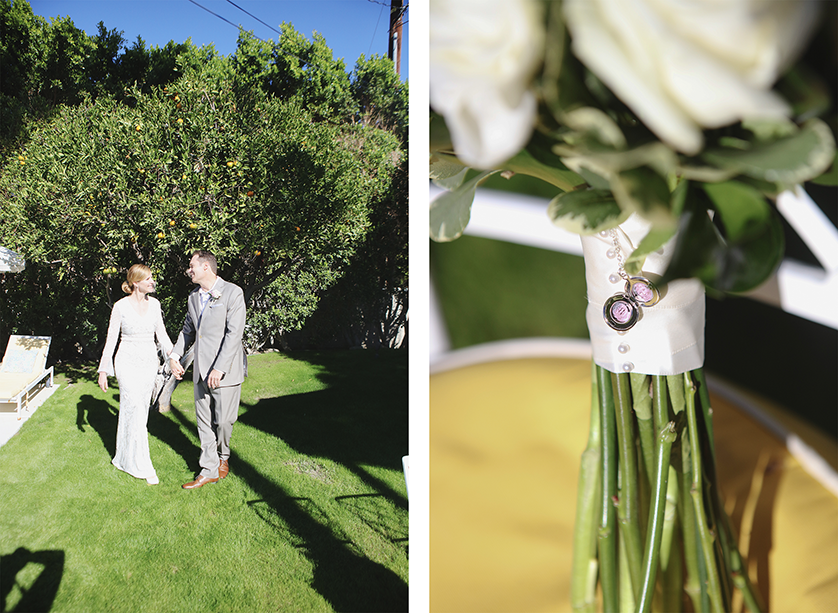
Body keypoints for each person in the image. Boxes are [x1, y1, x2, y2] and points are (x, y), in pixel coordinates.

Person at [169, 250, 246, 490]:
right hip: (200, 371)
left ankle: (224, 456)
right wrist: (174, 356)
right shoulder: (193, 297)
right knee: (203, 423)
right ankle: (209, 469)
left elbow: (234, 334)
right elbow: (188, 330)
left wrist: (220, 368)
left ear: (205, 267)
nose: (188, 270)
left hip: (225, 370)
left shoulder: (233, 292)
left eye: (191, 265)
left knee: (224, 421)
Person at [98, 264, 173, 485]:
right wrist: (104, 369)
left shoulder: (155, 304)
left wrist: (173, 358)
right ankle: (142, 464)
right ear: (135, 283)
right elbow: (111, 339)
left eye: (152, 278)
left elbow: (163, 336)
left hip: (148, 362)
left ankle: (123, 458)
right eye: (148, 279)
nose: (153, 282)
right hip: (127, 363)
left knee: (140, 410)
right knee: (134, 407)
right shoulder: (120, 307)